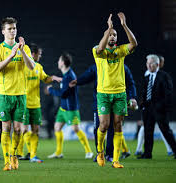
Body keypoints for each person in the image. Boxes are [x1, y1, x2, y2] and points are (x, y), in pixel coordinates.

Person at [93, 12, 137, 168]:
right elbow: (99, 49)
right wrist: (108, 29)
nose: (112, 37)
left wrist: (124, 25)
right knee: (104, 125)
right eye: (110, 35)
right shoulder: (98, 51)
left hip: (119, 94)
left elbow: (134, 44)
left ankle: (116, 159)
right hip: (103, 93)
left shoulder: (121, 51)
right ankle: (100, 151)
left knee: (118, 125)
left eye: (114, 35)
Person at [0, 17, 35, 171]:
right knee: (5, 129)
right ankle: (7, 161)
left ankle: (14, 155)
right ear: (3, 31)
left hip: (20, 95)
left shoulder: (25, 48)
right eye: (9, 29)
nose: (12, 31)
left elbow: (32, 66)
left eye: (14, 28)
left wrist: (21, 50)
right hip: (4, 95)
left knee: (17, 129)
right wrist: (11, 55)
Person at [69, 63, 137, 162]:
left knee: (112, 128)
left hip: (115, 101)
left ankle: (110, 154)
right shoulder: (98, 64)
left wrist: (132, 97)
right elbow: (88, 75)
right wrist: (78, 81)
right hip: (100, 101)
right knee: (98, 127)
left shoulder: (121, 65)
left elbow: (130, 82)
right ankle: (100, 153)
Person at [17, 43, 62, 162]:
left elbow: (45, 79)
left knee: (35, 130)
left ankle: (32, 155)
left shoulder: (39, 67)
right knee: (24, 130)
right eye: (39, 54)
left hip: (36, 104)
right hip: (24, 103)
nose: (40, 56)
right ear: (33, 54)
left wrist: (53, 78)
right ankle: (21, 153)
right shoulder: (21, 66)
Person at [47, 52, 93, 159]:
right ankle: (58, 152)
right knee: (57, 127)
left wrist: (50, 90)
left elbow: (63, 94)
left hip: (71, 109)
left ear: (62, 63)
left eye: (59, 60)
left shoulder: (69, 76)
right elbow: (65, 85)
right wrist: (57, 78)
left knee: (76, 129)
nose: (58, 62)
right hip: (63, 109)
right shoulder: (66, 75)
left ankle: (89, 151)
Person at [138, 54, 176, 159]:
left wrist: (161, 106)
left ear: (157, 64)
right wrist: (142, 104)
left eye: (151, 63)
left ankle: (175, 150)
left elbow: (168, 94)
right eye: (147, 63)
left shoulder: (164, 76)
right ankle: (147, 153)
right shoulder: (147, 77)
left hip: (160, 110)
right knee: (148, 132)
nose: (148, 66)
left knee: (166, 131)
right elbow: (144, 93)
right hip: (148, 110)